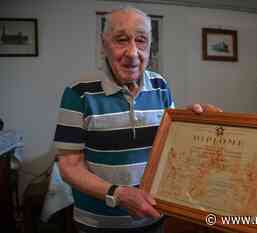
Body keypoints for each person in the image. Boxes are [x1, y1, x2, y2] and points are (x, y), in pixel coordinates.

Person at [54, 7, 222, 233]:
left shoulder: (161, 86)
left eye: (141, 40)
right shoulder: (78, 92)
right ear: (104, 45)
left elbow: (170, 147)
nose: (133, 52)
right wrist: (117, 194)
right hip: (98, 226)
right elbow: (68, 166)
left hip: (154, 220)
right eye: (121, 40)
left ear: (150, 46)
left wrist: (195, 124)